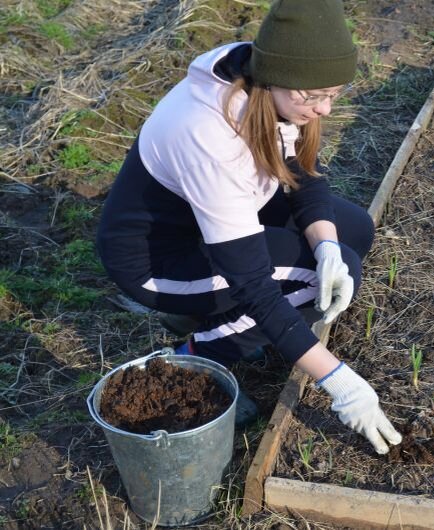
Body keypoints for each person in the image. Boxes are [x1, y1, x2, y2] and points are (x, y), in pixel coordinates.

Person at [96, 0, 402, 455]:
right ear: (276, 78)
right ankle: (197, 358)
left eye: (334, 94)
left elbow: (303, 172)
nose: (325, 110)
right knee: (306, 280)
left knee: (349, 232)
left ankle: (215, 316)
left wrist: (328, 248)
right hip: (156, 262)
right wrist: (339, 381)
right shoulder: (210, 136)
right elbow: (253, 283)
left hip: (214, 222)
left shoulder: (263, 80)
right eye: (313, 96)